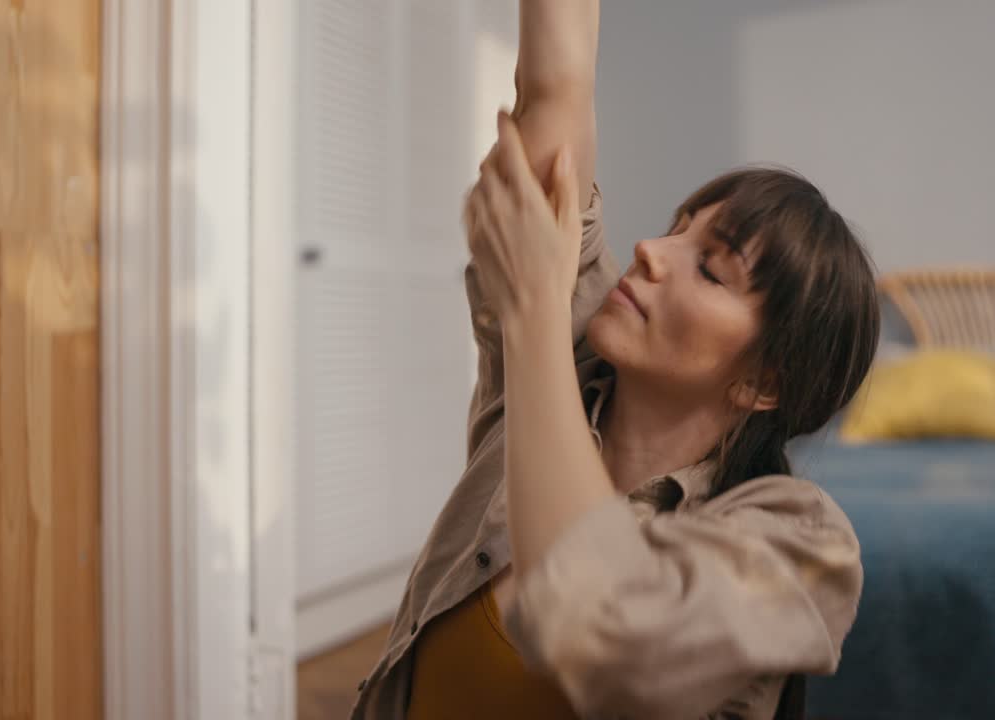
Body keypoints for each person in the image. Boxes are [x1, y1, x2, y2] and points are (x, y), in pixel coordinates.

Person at [351, 1, 878, 718]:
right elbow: (555, 92)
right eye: (675, 231)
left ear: (764, 382)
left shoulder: (804, 547)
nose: (650, 252)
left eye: (711, 270)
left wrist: (533, 309)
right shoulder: (572, 366)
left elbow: (605, 636)